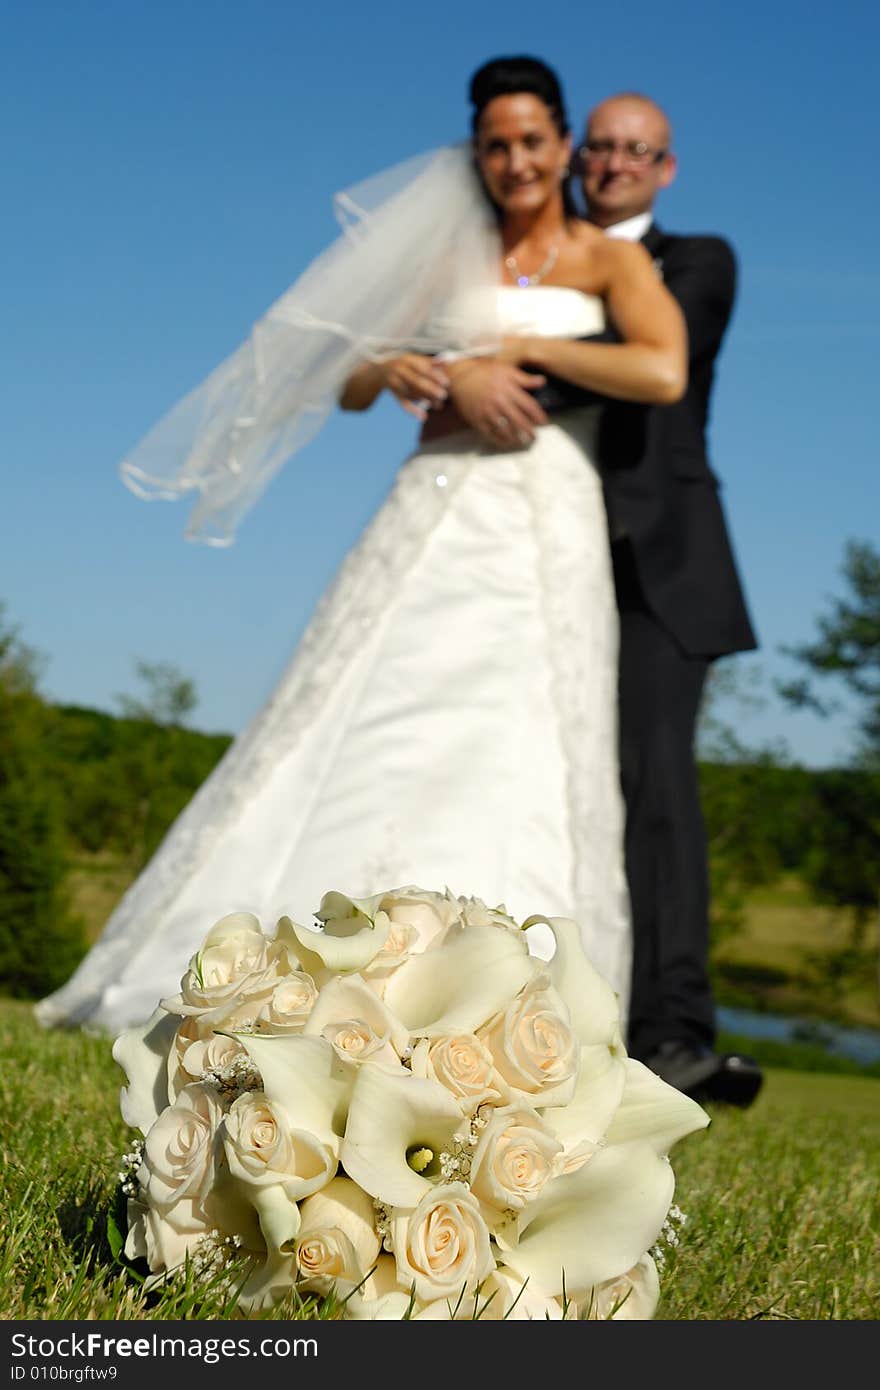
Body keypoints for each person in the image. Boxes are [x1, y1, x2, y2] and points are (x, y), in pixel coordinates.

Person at [35, 57, 686, 1037]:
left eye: (531, 141)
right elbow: (345, 376)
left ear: (562, 145)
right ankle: (289, 963)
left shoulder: (609, 261)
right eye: (495, 144)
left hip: (546, 511)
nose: (515, 161)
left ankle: (512, 1002)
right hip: (436, 495)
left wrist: (519, 354)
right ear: (478, 152)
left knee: (525, 728)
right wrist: (405, 368)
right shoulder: (448, 254)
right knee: (367, 702)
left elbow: (661, 366)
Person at [579, 93, 762, 1105]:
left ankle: (676, 1034)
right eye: (598, 147)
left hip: (660, 564)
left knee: (653, 785)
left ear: (665, 167)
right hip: (544, 551)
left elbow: (661, 355)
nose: (613, 164)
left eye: (633, 150)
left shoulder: (698, 259)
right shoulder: (531, 256)